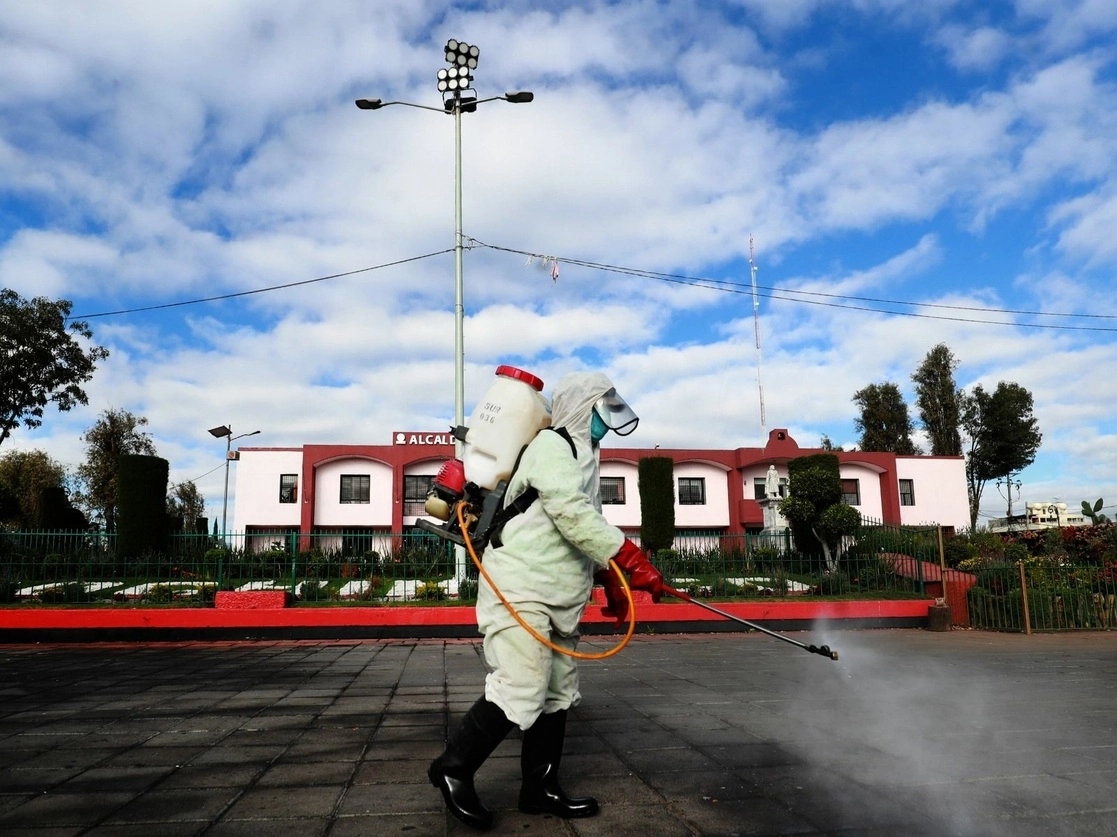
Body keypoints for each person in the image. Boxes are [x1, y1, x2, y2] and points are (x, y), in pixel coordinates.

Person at [428, 371, 665, 830]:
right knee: (521, 683)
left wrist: (612, 578)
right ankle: (452, 769)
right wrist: (629, 557)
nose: (607, 420)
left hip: (558, 595)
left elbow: (586, 526)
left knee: (557, 692)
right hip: (520, 587)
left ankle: (539, 788)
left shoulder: (585, 457)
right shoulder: (552, 447)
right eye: (601, 409)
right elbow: (569, 512)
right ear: (581, 406)